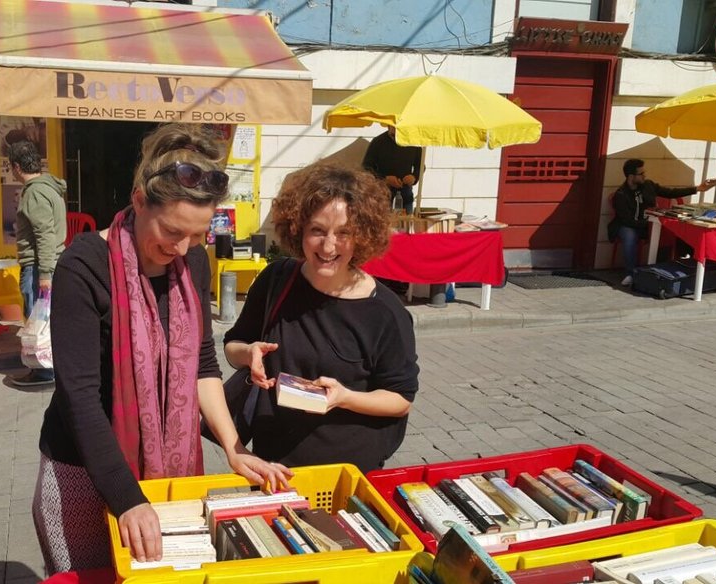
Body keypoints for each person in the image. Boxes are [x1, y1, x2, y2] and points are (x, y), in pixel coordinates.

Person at [32, 123, 291, 575]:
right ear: (137, 201)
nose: (182, 247)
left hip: (166, 473)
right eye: (172, 230)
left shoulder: (190, 261)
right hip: (82, 469)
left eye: (197, 235)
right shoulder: (84, 266)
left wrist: (233, 447)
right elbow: (80, 398)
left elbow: (202, 364)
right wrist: (127, 498)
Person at [223, 161, 420, 473]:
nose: (329, 245)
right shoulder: (277, 278)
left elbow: (400, 398)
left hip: (346, 470)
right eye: (317, 230)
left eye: (344, 233)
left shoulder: (384, 312)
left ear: (362, 237)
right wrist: (248, 354)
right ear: (298, 229)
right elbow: (233, 344)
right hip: (272, 466)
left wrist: (344, 397)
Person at [7, 140, 67, 387]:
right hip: (50, 262)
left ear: (17, 166)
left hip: (39, 266)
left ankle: (43, 371)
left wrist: (44, 273)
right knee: (47, 319)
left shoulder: (34, 192)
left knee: (37, 320)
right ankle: (49, 366)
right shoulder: (49, 187)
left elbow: (44, 234)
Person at [610, 158, 712, 287]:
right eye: (641, 174)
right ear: (631, 177)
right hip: (629, 225)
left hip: (649, 223)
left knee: (679, 227)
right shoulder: (621, 194)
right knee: (630, 235)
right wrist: (648, 223)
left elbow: (670, 193)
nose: (644, 176)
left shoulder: (648, 185)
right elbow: (627, 220)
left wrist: (697, 189)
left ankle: (685, 269)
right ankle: (631, 273)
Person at [362, 125, 423, 215]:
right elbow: (367, 166)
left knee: (405, 225)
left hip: (405, 194)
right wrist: (384, 179)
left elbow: (420, 166)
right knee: (383, 223)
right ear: (388, 126)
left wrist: (414, 177)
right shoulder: (378, 142)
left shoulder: (413, 142)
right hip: (382, 193)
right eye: (393, 132)